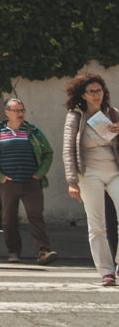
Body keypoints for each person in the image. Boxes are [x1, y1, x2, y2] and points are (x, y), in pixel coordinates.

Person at [62, 73, 119, 286]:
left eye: (99, 90)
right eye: (92, 91)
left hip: (115, 171)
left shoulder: (112, 114)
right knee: (97, 224)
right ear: (83, 95)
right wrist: (72, 181)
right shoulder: (75, 116)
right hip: (90, 173)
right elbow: (68, 149)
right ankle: (106, 271)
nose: (97, 95)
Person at [0, 96, 58, 265]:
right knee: (8, 218)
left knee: (36, 217)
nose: (20, 113)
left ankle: (43, 252)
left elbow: (48, 153)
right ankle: (13, 252)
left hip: (31, 182)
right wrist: (0, 177)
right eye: (16, 110)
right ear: (7, 113)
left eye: (22, 110)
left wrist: (39, 174)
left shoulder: (33, 131)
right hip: (8, 183)